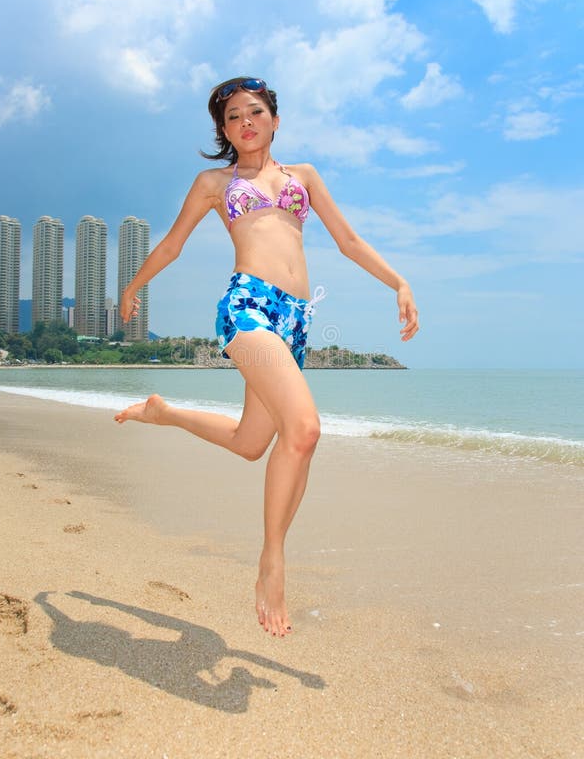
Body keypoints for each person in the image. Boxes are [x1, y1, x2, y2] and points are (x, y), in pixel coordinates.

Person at [114, 77, 419, 638]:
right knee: (303, 431)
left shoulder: (303, 178)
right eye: (233, 117)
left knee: (253, 442)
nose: (245, 122)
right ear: (223, 130)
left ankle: (163, 412)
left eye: (255, 112)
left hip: (295, 320)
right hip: (248, 307)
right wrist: (133, 286)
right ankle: (272, 561)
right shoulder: (214, 182)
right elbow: (173, 243)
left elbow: (349, 242)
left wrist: (398, 282)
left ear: (275, 120)